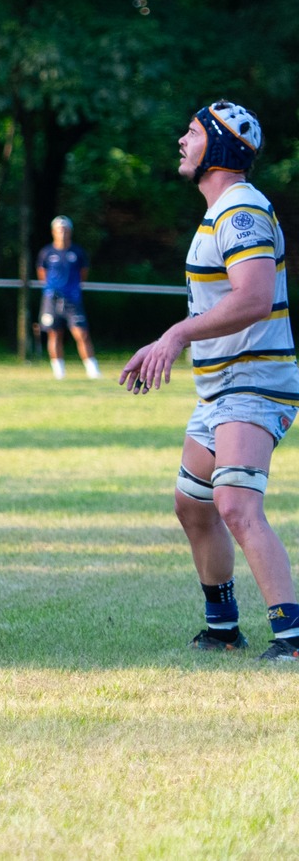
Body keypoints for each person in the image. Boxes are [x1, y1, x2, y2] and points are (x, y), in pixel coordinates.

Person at [119, 102, 299, 661]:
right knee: (192, 503)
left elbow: (253, 296)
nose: (181, 139)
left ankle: (292, 640)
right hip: (222, 387)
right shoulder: (221, 210)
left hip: (255, 380)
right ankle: (223, 629)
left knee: (234, 501)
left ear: (219, 147)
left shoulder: (240, 210)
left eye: (192, 132)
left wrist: (174, 336)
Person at [36, 216, 99, 380]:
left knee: (81, 334)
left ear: (70, 231)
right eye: (59, 229)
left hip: (73, 300)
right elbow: (42, 274)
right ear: (53, 231)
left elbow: (83, 274)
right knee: (54, 334)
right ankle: (59, 372)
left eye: (65, 229)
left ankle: (92, 370)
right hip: (51, 299)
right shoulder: (46, 252)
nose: (62, 232)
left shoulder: (77, 253)